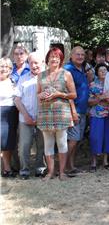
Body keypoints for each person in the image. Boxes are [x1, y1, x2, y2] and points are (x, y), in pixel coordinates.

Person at [37, 47, 77, 180]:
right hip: (45, 113)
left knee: (62, 143)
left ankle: (62, 172)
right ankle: (50, 172)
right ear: (48, 59)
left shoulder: (66, 74)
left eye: (57, 57)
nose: (54, 59)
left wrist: (59, 94)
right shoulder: (41, 75)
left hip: (62, 112)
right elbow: (38, 93)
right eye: (52, 56)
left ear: (61, 60)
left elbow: (73, 94)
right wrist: (41, 94)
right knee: (48, 143)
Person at [14, 52, 46, 179]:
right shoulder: (23, 78)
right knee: (24, 146)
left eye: (36, 62)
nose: (34, 65)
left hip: (42, 118)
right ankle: (24, 170)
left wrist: (40, 116)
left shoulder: (47, 78)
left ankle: (40, 168)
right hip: (25, 119)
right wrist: (26, 116)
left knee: (42, 145)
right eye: (31, 62)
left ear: (42, 62)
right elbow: (17, 99)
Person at [63, 46, 89, 174]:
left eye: (82, 55)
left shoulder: (81, 69)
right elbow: (67, 92)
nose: (80, 57)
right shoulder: (68, 70)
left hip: (82, 110)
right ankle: (64, 167)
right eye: (77, 55)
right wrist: (73, 112)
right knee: (72, 140)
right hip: (73, 111)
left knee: (76, 140)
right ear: (71, 56)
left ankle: (71, 166)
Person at [88, 64, 109, 172]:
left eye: (105, 70)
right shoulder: (93, 85)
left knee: (107, 137)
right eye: (101, 70)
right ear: (97, 72)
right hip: (96, 114)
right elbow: (89, 101)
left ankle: (105, 161)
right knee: (95, 137)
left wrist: (102, 98)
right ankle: (93, 162)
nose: (103, 72)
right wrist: (102, 98)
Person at [1, 57, 19, 178]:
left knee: (8, 142)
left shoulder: (13, 82)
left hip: (11, 114)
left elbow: (17, 98)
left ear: (11, 69)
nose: (4, 69)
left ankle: (7, 168)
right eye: (1, 66)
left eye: (7, 67)